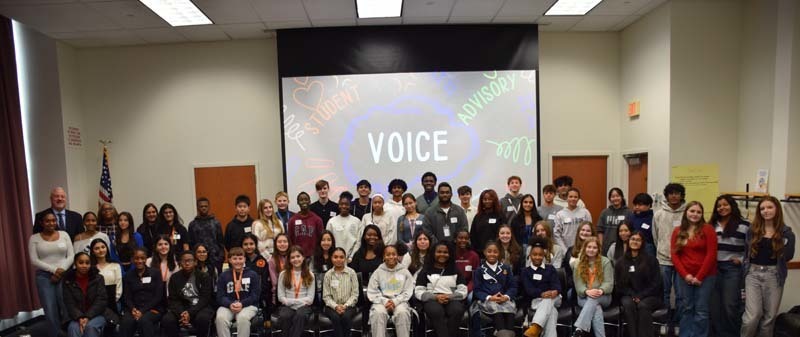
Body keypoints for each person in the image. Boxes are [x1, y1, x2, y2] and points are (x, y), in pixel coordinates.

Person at [741, 196, 796, 337]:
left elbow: (788, 256)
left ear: (777, 209)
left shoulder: (787, 233)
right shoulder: (752, 230)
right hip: (753, 274)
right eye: (762, 208)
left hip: (774, 276)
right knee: (752, 317)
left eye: (770, 207)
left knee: (769, 318)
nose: (766, 211)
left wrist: (783, 241)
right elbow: (747, 253)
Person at [670, 201, 717, 337]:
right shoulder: (678, 231)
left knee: (701, 310)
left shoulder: (708, 229)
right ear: (686, 212)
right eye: (692, 211)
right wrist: (686, 275)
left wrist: (699, 277)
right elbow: (674, 256)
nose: (695, 214)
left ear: (702, 214)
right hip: (684, 277)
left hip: (706, 276)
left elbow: (711, 255)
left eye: (698, 212)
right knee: (686, 308)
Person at [709, 194, 749, 337]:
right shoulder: (711, 225)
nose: (722, 208)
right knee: (715, 306)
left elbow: (752, 248)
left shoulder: (744, 225)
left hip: (732, 269)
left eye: (725, 204)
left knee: (730, 305)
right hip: (713, 268)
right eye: (719, 206)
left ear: (732, 206)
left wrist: (742, 259)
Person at [29, 212, 74, 337]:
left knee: (66, 305)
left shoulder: (64, 234)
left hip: (64, 274)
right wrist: (54, 271)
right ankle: (55, 334)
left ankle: (70, 332)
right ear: (41, 223)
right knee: (50, 308)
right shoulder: (34, 238)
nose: (51, 223)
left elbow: (71, 255)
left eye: (53, 220)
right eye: (47, 221)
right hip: (44, 277)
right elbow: (34, 260)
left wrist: (60, 271)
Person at [614, 231, 663, 337]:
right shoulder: (621, 262)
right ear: (628, 241)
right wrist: (633, 295)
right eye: (633, 239)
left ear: (642, 243)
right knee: (628, 304)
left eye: (638, 240)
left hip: (650, 296)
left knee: (643, 305)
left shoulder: (651, 260)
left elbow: (656, 283)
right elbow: (619, 285)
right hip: (628, 295)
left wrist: (641, 296)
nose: (635, 242)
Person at [415, 241, 468, 337]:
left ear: (449, 254)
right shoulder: (426, 270)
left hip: (451, 298)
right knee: (436, 311)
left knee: (457, 310)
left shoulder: (455, 270)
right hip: (432, 300)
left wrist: (450, 296)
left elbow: (463, 290)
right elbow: (418, 291)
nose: (442, 254)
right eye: (439, 252)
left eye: (445, 252)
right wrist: (435, 297)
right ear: (433, 253)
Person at [654, 183, 687, 323]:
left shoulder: (687, 213)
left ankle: (678, 322)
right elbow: (655, 236)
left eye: (677, 193)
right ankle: (665, 322)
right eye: (671, 193)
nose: (674, 196)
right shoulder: (659, 214)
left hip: (682, 260)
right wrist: (663, 249)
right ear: (666, 196)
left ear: (681, 195)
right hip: (663, 259)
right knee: (664, 292)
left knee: (681, 294)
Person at [162, 250, 214, 337]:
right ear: (180, 263)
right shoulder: (174, 277)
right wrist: (182, 313)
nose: (187, 263)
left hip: (200, 307)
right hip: (182, 308)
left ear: (195, 262)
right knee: (167, 319)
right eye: (184, 261)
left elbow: (205, 299)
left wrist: (190, 313)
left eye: (190, 260)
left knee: (202, 319)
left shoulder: (204, 276)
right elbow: (173, 299)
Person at [368, 244, 415, 337]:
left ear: (398, 256)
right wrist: (385, 301)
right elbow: (372, 291)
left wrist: (395, 301)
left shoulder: (404, 271)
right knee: (378, 313)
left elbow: (408, 290)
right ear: (383, 256)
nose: (391, 257)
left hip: (400, 301)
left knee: (402, 313)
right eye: (388, 254)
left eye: (394, 254)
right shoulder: (378, 272)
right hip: (381, 302)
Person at [473, 241, 517, 337]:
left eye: (495, 252)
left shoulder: (506, 268)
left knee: (510, 310)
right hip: (488, 301)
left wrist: (506, 297)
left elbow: (513, 287)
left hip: (504, 299)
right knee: (497, 311)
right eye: (489, 251)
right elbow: (477, 290)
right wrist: (490, 297)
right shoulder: (479, 270)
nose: (492, 254)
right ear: (484, 252)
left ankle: (505, 333)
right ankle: (501, 332)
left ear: (499, 253)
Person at [571, 237, 613, 337]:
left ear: (598, 249)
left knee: (594, 298)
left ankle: (579, 328)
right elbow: (579, 286)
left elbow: (609, 283)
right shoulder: (578, 263)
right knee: (596, 308)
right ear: (584, 248)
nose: (591, 249)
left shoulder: (605, 262)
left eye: (594, 247)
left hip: (603, 296)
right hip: (583, 297)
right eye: (589, 247)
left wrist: (600, 291)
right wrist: (586, 291)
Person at [214, 247, 261, 337]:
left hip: (248, 305)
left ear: (244, 259)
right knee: (220, 318)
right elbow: (220, 296)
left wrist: (242, 304)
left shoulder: (253, 275)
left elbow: (255, 295)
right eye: (234, 259)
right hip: (228, 305)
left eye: (240, 258)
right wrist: (230, 304)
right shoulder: (223, 276)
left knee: (242, 318)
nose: (237, 261)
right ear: (229, 260)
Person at [120, 248, 165, 337]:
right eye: (136, 258)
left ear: (146, 259)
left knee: (144, 320)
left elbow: (158, 296)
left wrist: (142, 311)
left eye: (142, 258)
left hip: (153, 308)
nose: (139, 261)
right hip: (134, 309)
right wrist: (133, 309)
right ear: (132, 259)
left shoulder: (155, 273)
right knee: (126, 322)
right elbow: (127, 297)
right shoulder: (128, 276)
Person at [522, 238, 561, 337]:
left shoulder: (550, 268)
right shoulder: (525, 271)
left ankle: (536, 327)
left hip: (554, 298)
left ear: (544, 255)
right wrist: (541, 294)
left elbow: (557, 285)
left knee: (549, 299)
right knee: (552, 312)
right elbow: (529, 290)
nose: (537, 257)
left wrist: (555, 291)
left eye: (540, 255)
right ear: (530, 255)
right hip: (536, 300)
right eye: (534, 254)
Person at [62, 252, 108, 337]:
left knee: (90, 327)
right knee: (73, 328)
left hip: (97, 315)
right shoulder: (68, 281)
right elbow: (69, 303)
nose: (84, 265)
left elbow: (101, 300)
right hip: (76, 317)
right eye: (81, 262)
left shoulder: (98, 278)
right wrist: (79, 317)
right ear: (75, 264)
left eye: (87, 263)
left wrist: (88, 317)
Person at [277, 246, 315, 337]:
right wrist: (291, 302)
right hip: (287, 306)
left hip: (304, 306)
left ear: (303, 257)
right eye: (292, 257)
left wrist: (292, 301)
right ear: (289, 260)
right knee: (285, 315)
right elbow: (280, 297)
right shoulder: (283, 274)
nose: (296, 259)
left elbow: (310, 299)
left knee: (300, 315)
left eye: (298, 256)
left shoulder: (310, 274)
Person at [323, 248, 360, 337]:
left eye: (341, 257)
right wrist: (336, 306)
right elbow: (326, 296)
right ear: (331, 258)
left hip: (349, 306)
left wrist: (345, 306)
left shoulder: (351, 273)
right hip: (332, 306)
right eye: (335, 257)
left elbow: (355, 294)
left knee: (345, 317)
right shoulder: (328, 275)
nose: (338, 259)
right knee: (335, 317)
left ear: (345, 259)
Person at [187, 197, 224, 274]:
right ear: (198, 208)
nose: (203, 208)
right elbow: (191, 243)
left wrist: (220, 257)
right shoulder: (192, 224)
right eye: (201, 206)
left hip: (215, 259)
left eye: (205, 206)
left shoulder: (216, 223)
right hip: (199, 260)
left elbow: (221, 242)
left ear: (209, 207)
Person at [89, 239, 123, 311]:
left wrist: (112, 301)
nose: (101, 250)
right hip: (96, 304)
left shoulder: (115, 265)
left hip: (113, 303)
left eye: (103, 247)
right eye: (97, 248)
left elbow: (119, 288)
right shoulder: (90, 268)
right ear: (93, 252)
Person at [470, 189, 506, 255]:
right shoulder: (478, 216)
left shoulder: (500, 215)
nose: (487, 201)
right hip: (480, 252)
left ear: (494, 200)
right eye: (485, 199)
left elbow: (504, 234)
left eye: (490, 199)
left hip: (496, 252)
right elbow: (473, 235)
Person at [288, 191, 324, 257]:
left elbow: (320, 239)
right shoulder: (292, 220)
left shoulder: (317, 220)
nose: (304, 202)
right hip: (297, 256)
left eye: (306, 199)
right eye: (301, 200)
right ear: (298, 202)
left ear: (309, 201)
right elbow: (290, 240)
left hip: (313, 256)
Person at [327, 191, 362, 259]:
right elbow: (328, 241)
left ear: (350, 206)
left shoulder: (357, 221)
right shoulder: (331, 221)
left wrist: (351, 257)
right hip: (335, 258)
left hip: (352, 258)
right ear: (338, 205)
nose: (344, 206)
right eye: (341, 204)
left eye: (346, 204)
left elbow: (358, 242)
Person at [242, 233, 273, 308]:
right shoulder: (239, 261)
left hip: (259, 295)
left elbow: (265, 282)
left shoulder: (261, 260)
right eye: (245, 244)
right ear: (242, 246)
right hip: (242, 295)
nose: (248, 247)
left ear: (255, 245)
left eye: (251, 244)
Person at [454, 229, 480, 296]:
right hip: (452, 288)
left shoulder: (474, 256)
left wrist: (467, 290)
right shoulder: (450, 254)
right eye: (460, 238)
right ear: (455, 239)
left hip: (468, 288)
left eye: (466, 238)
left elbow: (475, 277)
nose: (463, 240)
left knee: (470, 298)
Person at [268, 233, 291, 305]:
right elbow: (274, 282)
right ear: (275, 244)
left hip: (294, 290)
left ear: (289, 243)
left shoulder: (293, 257)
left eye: (285, 241)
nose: (282, 244)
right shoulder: (272, 260)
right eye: (279, 242)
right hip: (279, 292)